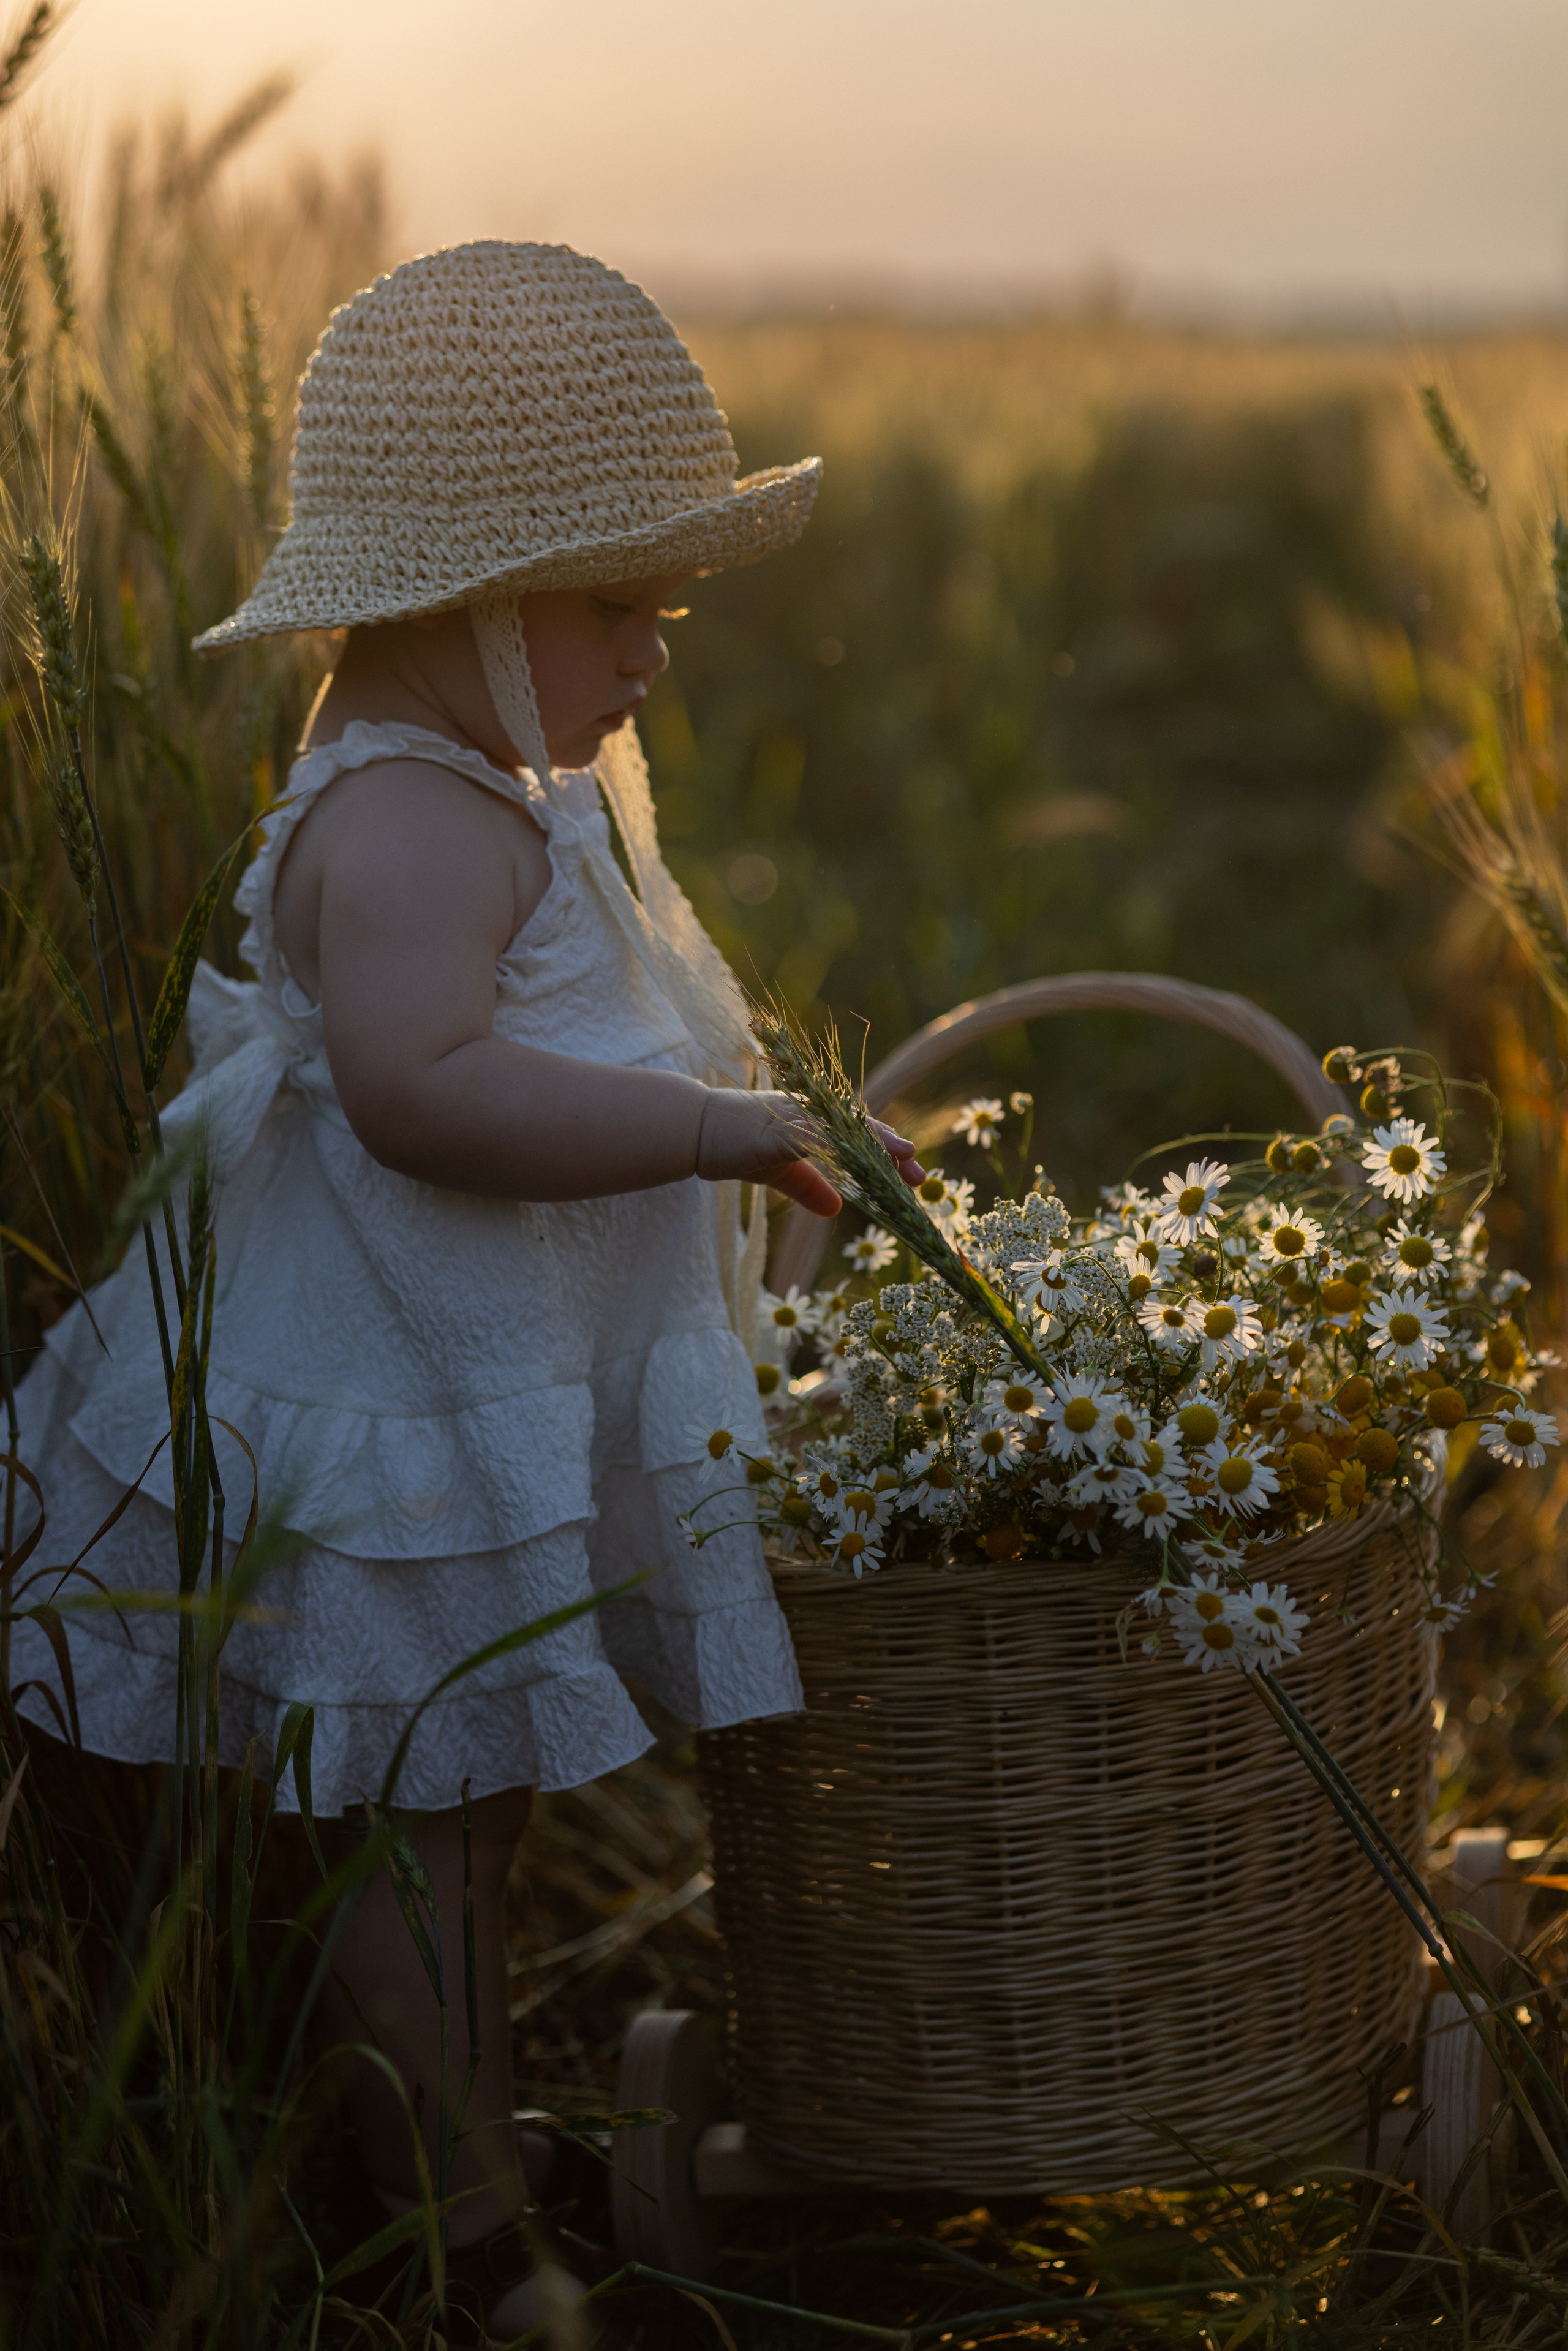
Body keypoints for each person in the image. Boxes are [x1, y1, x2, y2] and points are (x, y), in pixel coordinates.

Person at [7, 241, 921, 2339]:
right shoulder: (416, 822)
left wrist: (745, 1136)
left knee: (461, 1820)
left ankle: (469, 2158)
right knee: (417, 1836)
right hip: (390, 1417)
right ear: (475, 600)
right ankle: (459, 2230)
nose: (653, 659)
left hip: (451, 1391)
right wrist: (715, 1133)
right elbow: (424, 1094)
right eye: (625, 606)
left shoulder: (477, 788)